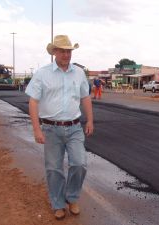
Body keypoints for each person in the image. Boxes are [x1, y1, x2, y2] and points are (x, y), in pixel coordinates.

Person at [25, 35, 94, 220]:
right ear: (54, 52)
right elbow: (33, 102)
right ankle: (57, 204)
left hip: (74, 127)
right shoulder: (42, 73)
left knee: (79, 163)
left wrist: (90, 120)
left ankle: (71, 198)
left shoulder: (79, 73)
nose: (66, 54)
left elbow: (85, 98)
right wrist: (36, 129)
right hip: (50, 129)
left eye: (69, 51)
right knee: (54, 169)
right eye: (62, 50)